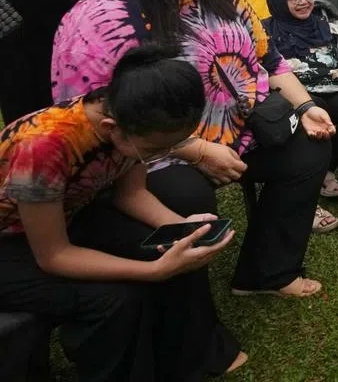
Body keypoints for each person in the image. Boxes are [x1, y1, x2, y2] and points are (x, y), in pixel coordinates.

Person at [52, 0, 334, 298]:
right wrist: (197, 150)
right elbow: (106, 114)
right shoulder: (108, 17)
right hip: (155, 151)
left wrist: (306, 107)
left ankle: (265, 274)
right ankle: (185, 309)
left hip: (238, 132)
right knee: (186, 195)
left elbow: (270, 60)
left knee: (309, 148)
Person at [0, 44, 245, 380]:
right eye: (155, 150)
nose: (161, 155)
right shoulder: (43, 147)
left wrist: (181, 227)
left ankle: (183, 362)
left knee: (171, 247)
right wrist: (154, 271)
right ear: (110, 128)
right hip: (12, 243)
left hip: (64, 217)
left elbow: (132, 195)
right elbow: (55, 256)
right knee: (114, 299)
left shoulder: (132, 112)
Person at [263, 0, 338, 226]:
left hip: (335, 88)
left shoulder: (326, 26)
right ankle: (311, 179)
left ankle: (326, 168)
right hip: (295, 95)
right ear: (279, 2)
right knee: (316, 110)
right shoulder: (265, 32)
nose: (303, 2)